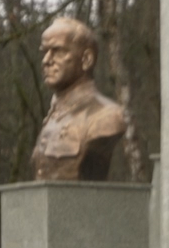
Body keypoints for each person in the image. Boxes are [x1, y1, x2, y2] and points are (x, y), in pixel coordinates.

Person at [30, 17, 128, 181]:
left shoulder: (108, 116)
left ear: (86, 59)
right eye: (45, 51)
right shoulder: (52, 118)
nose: (46, 60)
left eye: (58, 51)